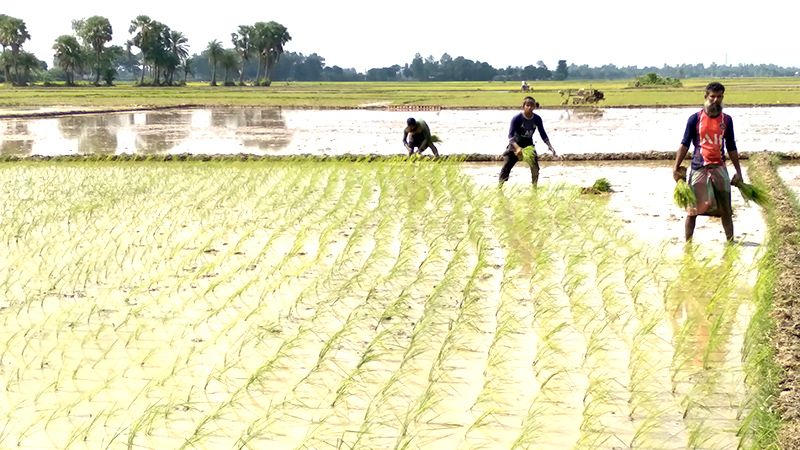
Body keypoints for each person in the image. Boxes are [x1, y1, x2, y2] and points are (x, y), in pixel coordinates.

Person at [673, 82, 744, 242]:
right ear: (706, 97)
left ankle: (730, 243)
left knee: (726, 209)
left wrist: (739, 172)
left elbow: (731, 146)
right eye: (712, 96)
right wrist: (676, 167)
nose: (715, 100)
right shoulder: (695, 119)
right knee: (692, 210)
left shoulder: (726, 120)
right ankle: (688, 244)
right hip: (699, 168)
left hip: (719, 167)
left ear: (722, 98)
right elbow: (685, 143)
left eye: (719, 97)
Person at [499, 96, 557, 185]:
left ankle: (534, 188)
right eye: (527, 105)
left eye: (532, 106)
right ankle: (499, 188)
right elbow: (510, 136)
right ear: (524, 106)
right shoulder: (517, 118)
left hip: (528, 146)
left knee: (535, 168)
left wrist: (550, 146)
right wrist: (518, 148)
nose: (529, 107)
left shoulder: (537, 119)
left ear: (534, 107)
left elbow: (543, 133)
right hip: (515, 145)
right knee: (506, 168)